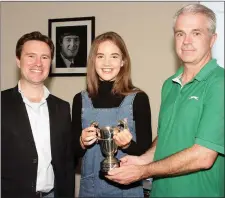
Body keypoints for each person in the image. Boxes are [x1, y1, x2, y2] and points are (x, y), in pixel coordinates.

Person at [106, 4, 224, 197]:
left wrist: (144, 171)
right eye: (180, 34)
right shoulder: (169, 84)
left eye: (196, 33)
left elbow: (204, 156)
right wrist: (143, 160)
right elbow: (166, 137)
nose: (186, 41)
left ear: (212, 39)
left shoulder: (220, 84)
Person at [72, 31, 152, 197]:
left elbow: (145, 152)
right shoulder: (80, 99)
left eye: (114, 56)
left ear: (123, 61)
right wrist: (81, 141)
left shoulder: (138, 98)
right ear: (93, 61)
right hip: (90, 189)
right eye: (100, 56)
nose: (107, 62)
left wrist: (128, 145)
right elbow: (72, 153)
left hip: (127, 190)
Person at [1, 31, 75, 198]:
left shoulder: (62, 108)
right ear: (18, 61)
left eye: (45, 57)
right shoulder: (2, 103)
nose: (38, 63)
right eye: (31, 56)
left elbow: (67, 163)